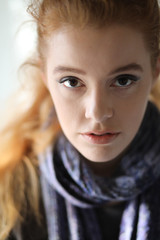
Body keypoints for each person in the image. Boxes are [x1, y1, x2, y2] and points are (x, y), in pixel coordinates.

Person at [1, 0, 160, 239]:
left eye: (123, 80)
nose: (97, 112)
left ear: (155, 72)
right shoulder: (10, 197)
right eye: (72, 81)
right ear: (45, 77)